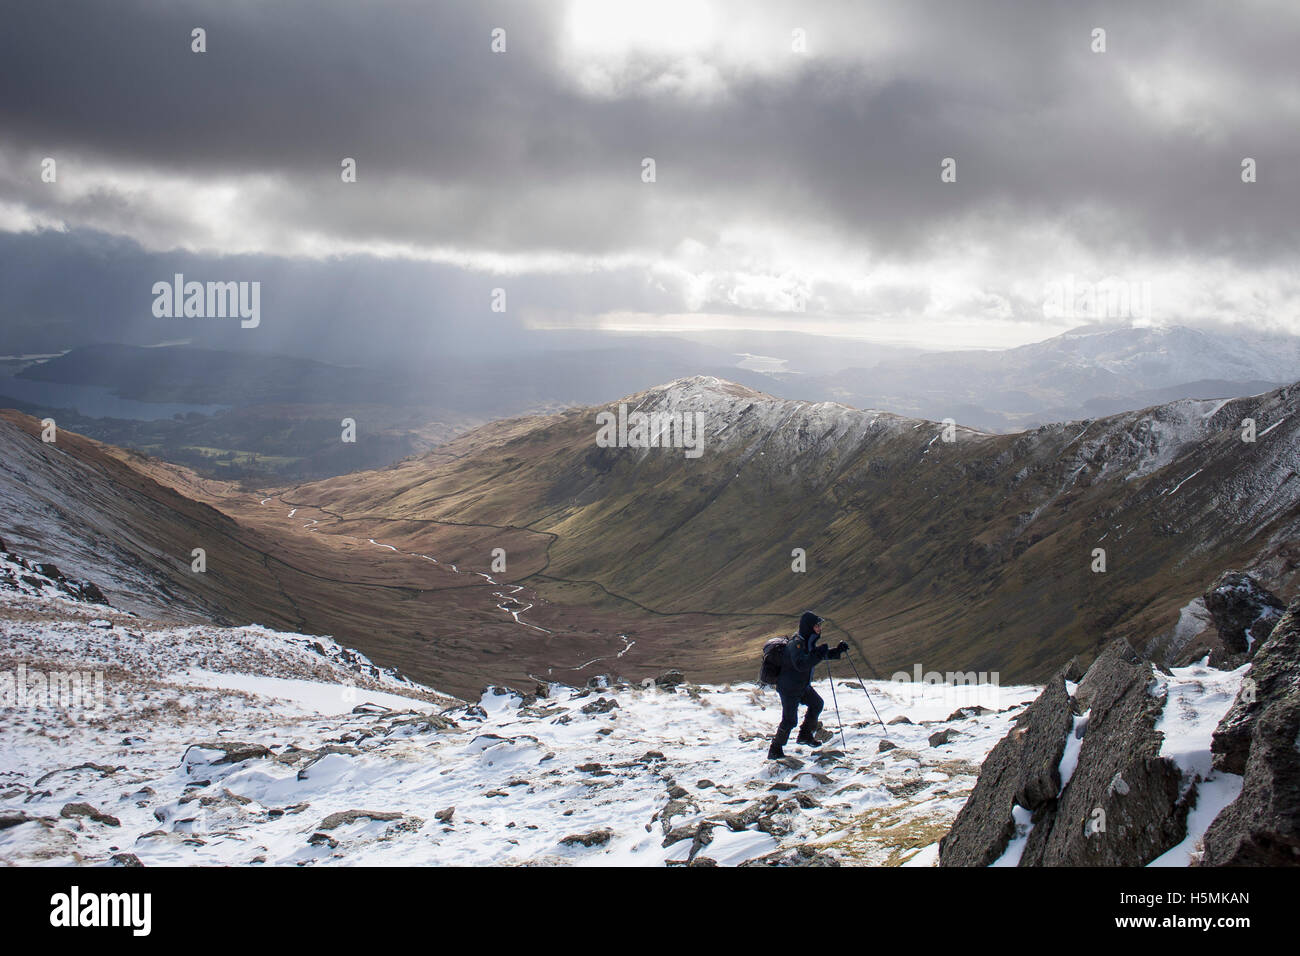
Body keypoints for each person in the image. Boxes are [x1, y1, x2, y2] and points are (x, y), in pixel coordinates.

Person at [767, 611, 848, 760]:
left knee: (817, 704)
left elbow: (814, 655)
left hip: (801, 686)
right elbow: (801, 664)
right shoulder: (796, 644)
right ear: (809, 627)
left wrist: (837, 651)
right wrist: (818, 654)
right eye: (817, 625)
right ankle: (775, 749)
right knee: (790, 720)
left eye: (819, 625)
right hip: (789, 689)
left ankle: (805, 735)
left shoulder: (807, 641)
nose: (819, 628)